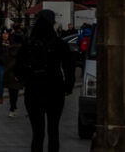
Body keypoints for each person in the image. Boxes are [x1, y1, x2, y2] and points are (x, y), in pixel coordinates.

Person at [13, 10, 76, 152]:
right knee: (53, 131)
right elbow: (69, 66)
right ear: (52, 23)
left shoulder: (28, 43)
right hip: (55, 88)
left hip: (34, 89)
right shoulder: (59, 43)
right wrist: (68, 86)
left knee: (37, 133)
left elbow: (18, 68)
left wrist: (25, 78)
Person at [3, 31, 25, 118]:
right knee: (15, 91)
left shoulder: (8, 48)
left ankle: (12, 108)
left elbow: (4, 60)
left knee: (11, 92)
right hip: (18, 72)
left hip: (9, 72)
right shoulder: (23, 50)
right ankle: (13, 108)